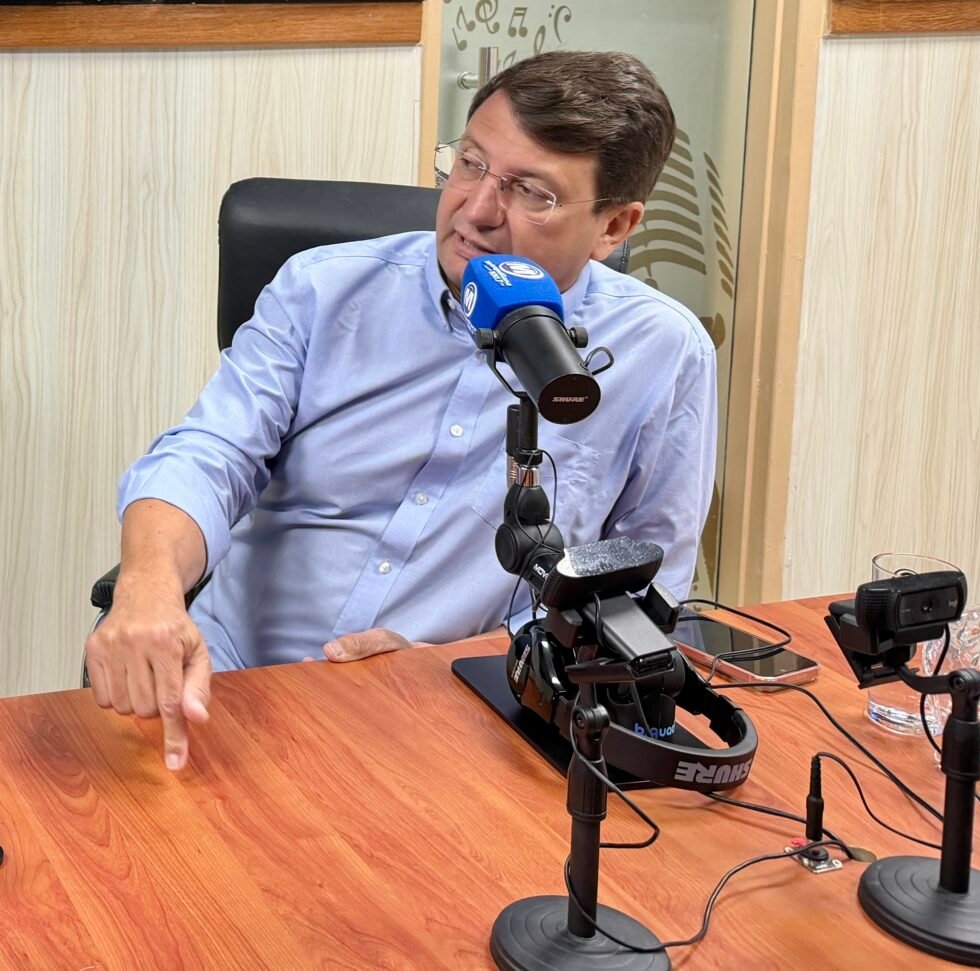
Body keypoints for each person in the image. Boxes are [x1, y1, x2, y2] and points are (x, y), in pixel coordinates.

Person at [85, 50, 717, 771]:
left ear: (614, 227)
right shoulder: (323, 289)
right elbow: (210, 453)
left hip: (455, 724)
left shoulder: (664, 352)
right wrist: (148, 585)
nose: (475, 211)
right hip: (230, 689)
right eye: (471, 163)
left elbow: (641, 585)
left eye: (532, 193)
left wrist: (453, 663)